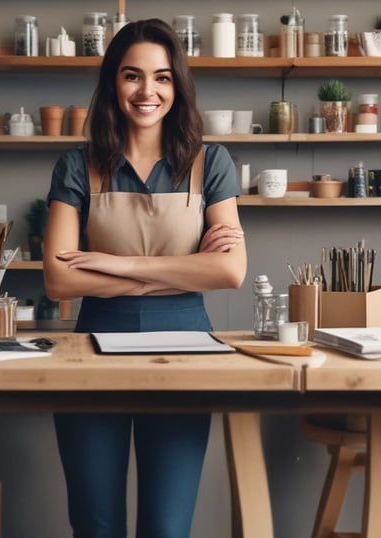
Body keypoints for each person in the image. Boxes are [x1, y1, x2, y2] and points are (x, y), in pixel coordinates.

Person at [43, 18, 247, 538]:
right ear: (113, 82)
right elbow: (59, 280)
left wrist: (116, 263)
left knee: (166, 528)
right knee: (96, 525)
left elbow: (229, 270)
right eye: (132, 75)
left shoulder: (210, 163)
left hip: (186, 352)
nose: (147, 91)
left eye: (162, 77)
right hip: (91, 352)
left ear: (178, 86)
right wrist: (184, 268)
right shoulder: (77, 166)